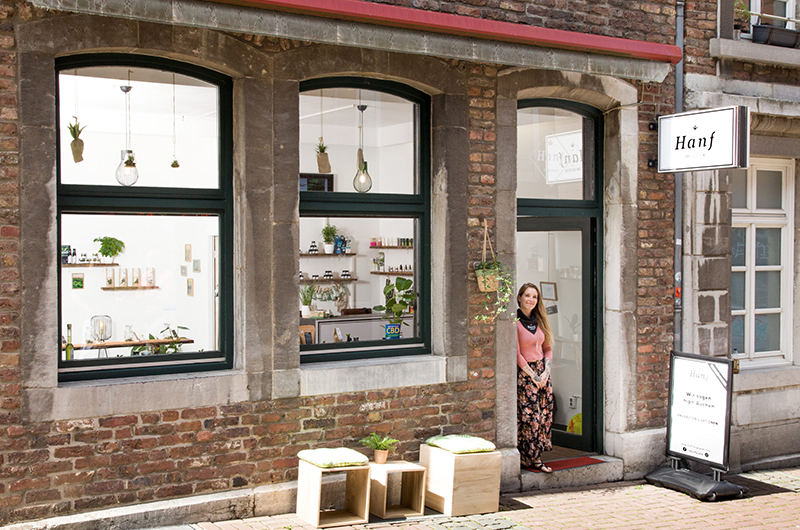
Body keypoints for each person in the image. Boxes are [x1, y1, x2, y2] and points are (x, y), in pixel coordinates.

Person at [516, 282, 554, 473]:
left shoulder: (540, 321)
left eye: (535, 297)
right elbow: (517, 353)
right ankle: (529, 457)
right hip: (526, 374)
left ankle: (535, 456)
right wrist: (533, 376)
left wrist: (545, 372)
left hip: (542, 372)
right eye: (527, 296)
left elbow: (548, 348)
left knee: (544, 414)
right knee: (530, 417)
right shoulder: (515, 322)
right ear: (519, 298)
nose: (531, 300)